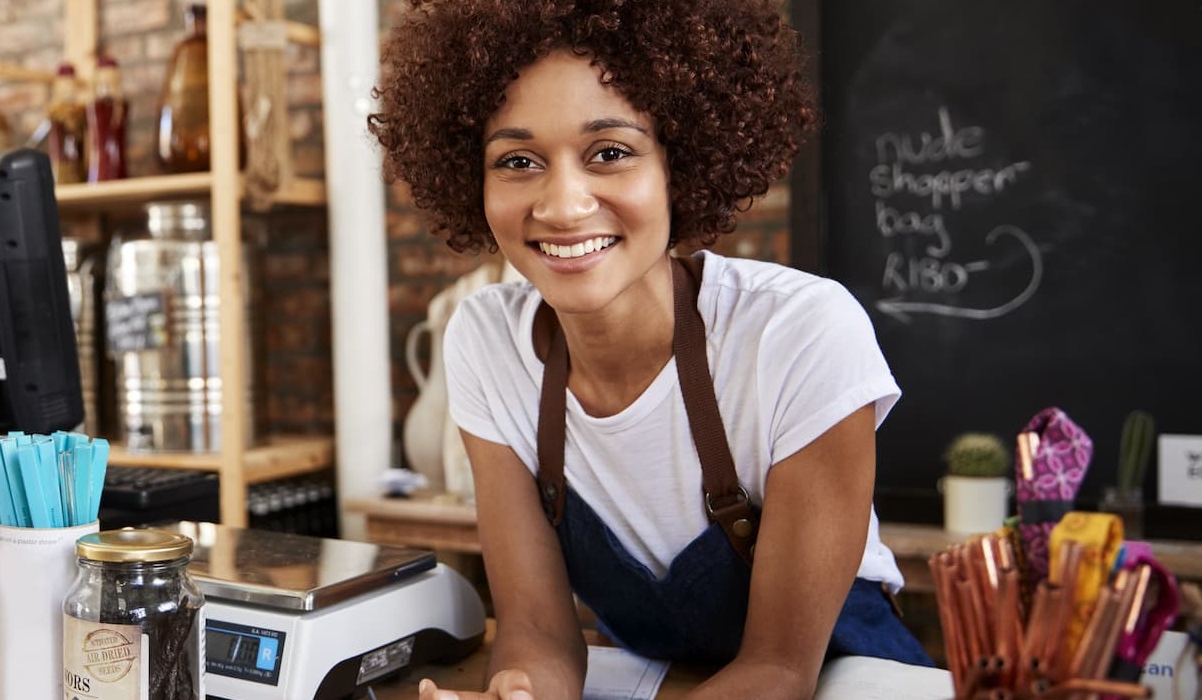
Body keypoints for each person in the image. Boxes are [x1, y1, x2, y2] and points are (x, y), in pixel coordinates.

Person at [367, 1, 935, 698]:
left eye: (610, 152)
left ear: (680, 163)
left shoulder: (801, 334)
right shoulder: (486, 342)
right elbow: (540, 635)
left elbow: (779, 671)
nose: (564, 205)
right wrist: (514, 694)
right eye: (518, 160)